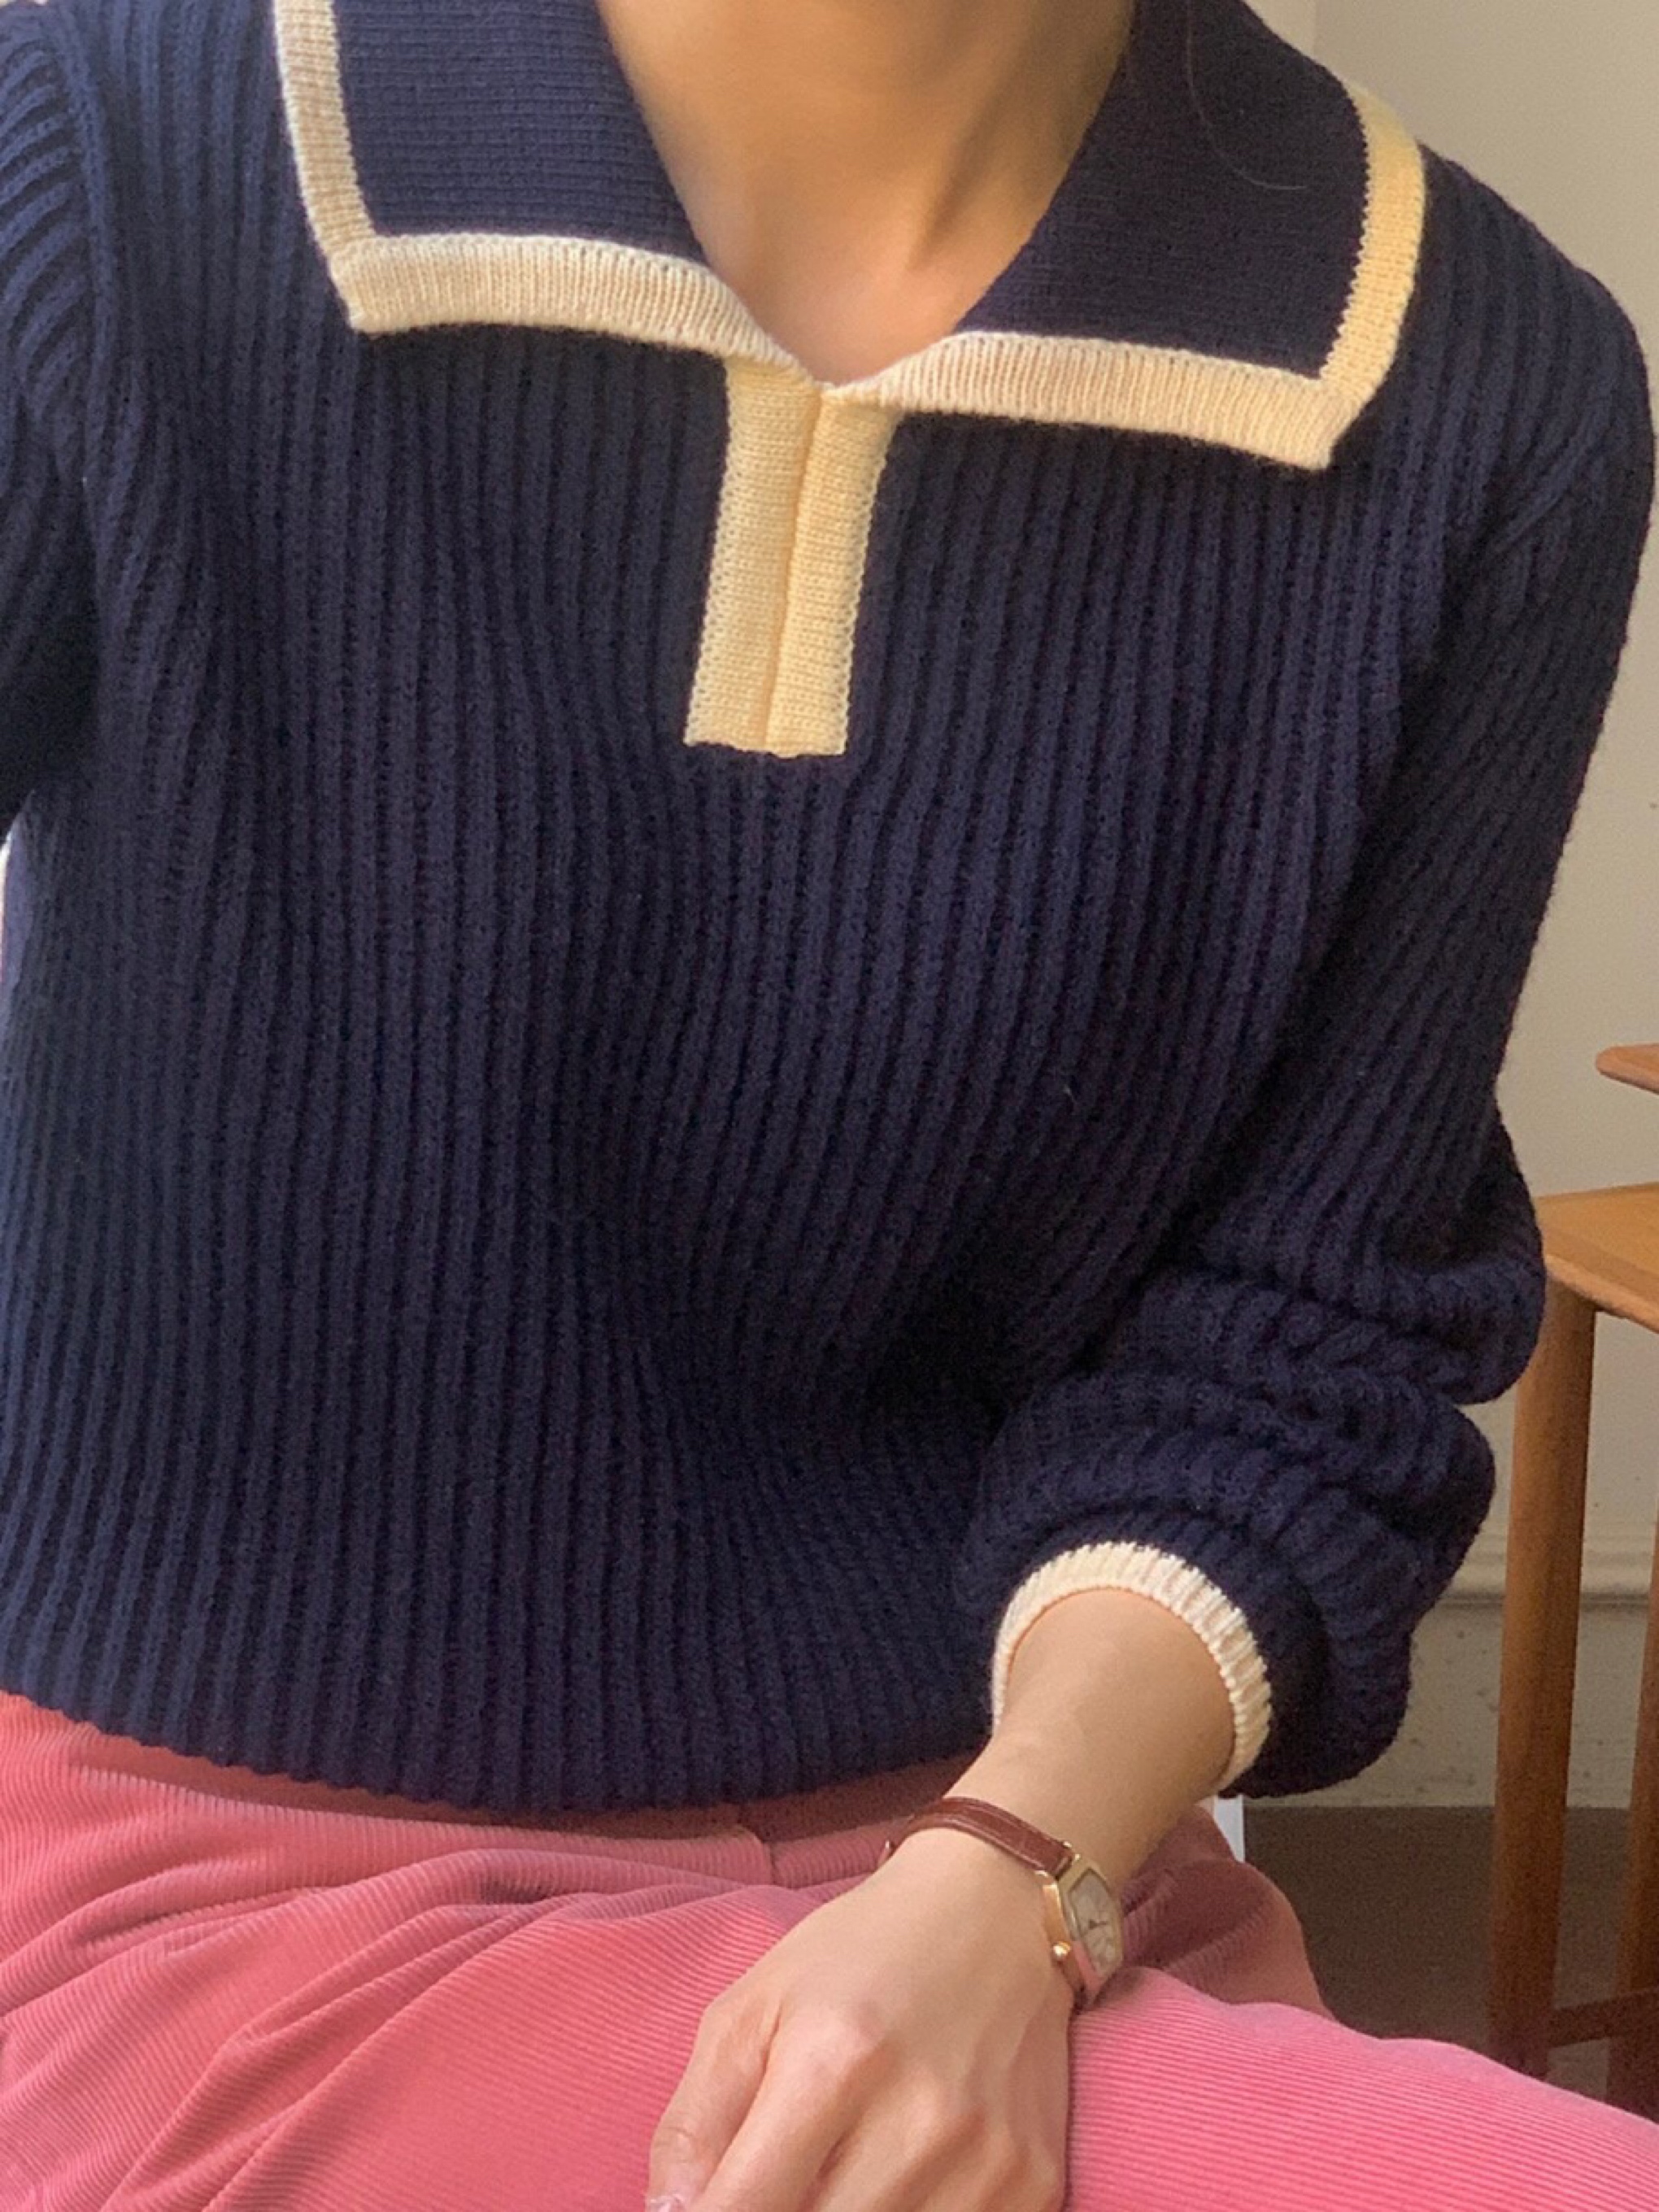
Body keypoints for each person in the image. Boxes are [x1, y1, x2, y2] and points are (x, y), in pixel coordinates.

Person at [0, 0, 1654, 2203]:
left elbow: (1307, 1331)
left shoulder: (1483, 386)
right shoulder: (104, 137)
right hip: (213, 1886)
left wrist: (1015, 1870)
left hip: (1010, 1881)